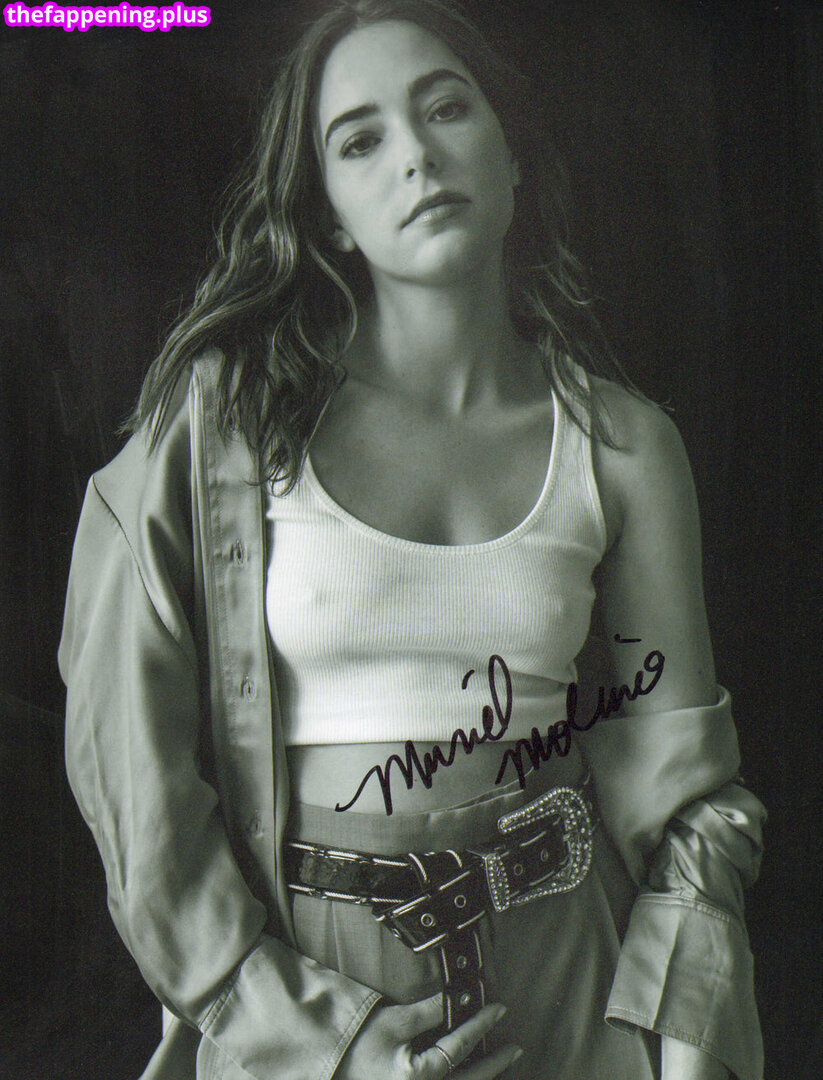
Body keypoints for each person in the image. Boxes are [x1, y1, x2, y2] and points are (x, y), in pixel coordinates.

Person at [58, 2, 766, 1078]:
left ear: (511, 156)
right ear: (330, 216)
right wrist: (313, 1040)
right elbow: (127, 764)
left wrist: (680, 1059)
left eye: (446, 109)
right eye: (360, 140)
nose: (417, 156)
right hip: (311, 995)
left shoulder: (622, 445)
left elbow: (687, 797)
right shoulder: (226, 422)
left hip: (571, 987)